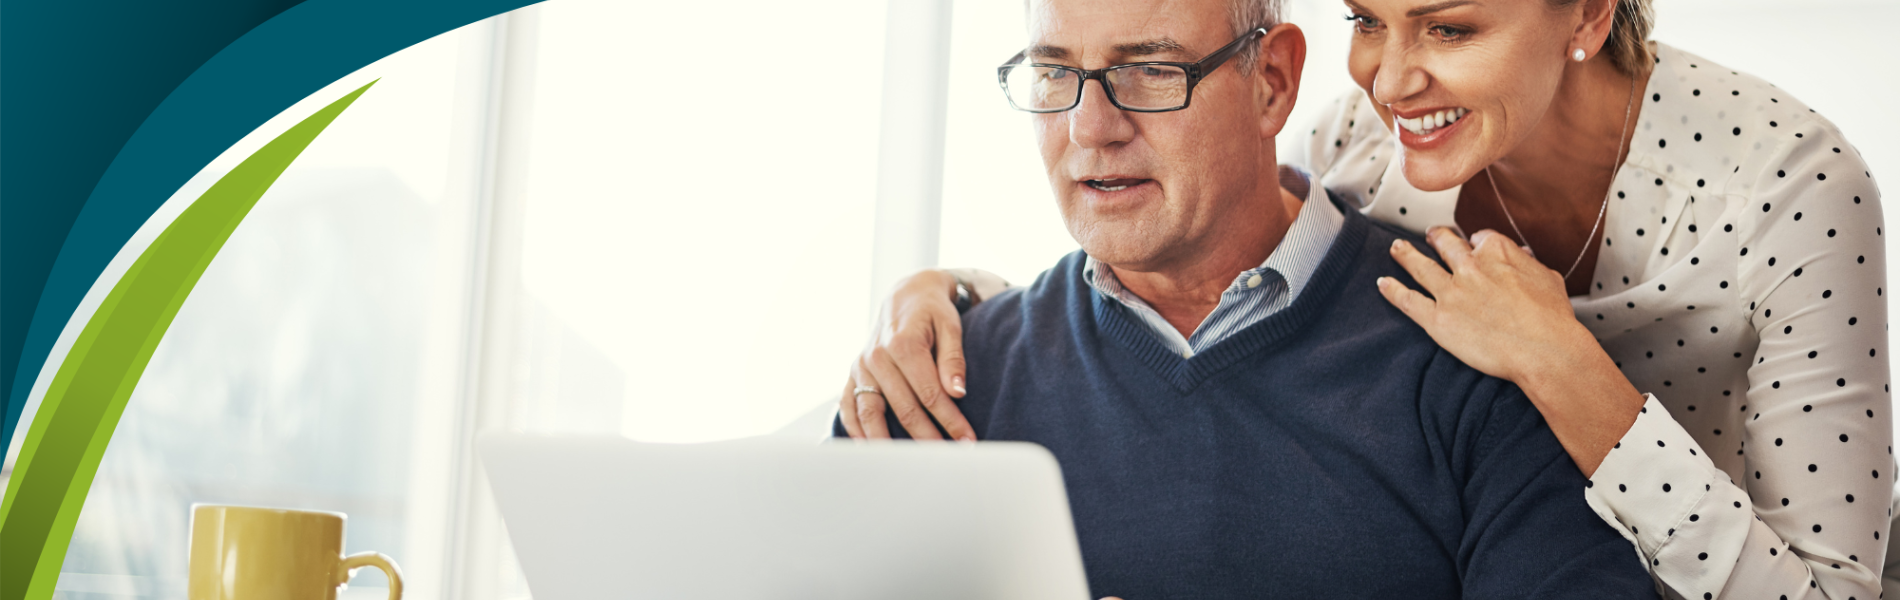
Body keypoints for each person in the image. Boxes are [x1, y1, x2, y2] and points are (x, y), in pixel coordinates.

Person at [841, 0, 1891, 598]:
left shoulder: (1786, 187)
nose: (1390, 81)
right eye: (1367, 19)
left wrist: (1564, 368)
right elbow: (1185, 223)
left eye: (1448, 27)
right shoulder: (1363, 146)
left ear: (1582, 13)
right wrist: (957, 303)